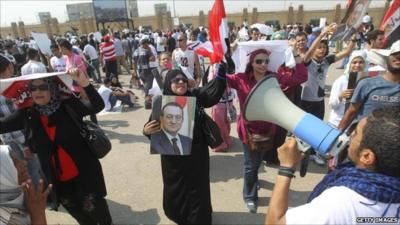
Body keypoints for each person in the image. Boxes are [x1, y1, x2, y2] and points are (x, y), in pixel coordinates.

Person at [0, 69, 113, 225]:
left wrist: (85, 84)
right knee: (82, 218)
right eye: (33, 88)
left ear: (52, 88)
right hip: (58, 180)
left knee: (101, 217)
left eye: (43, 87)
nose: (37, 92)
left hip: (85, 175)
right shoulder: (27, 114)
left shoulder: (68, 106)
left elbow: (97, 106)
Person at [265, 106, 400, 225]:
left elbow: (275, 223)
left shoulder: (339, 204)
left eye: (356, 133)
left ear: (367, 157)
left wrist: (286, 168)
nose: (351, 135)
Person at [226, 48, 307, 213]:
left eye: (266, 61)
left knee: (257, 162)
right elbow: (219, 80)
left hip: (268, 131)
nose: (263, 64)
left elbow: (301, 77)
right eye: (259, 61)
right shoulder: (241, 78)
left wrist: (297, 56)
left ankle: (254, 180)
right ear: (251, 62)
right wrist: (224, 57)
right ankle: (250, 196)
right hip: (248, 131)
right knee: (250, 165)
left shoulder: (273, 78)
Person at [143, 66, 226, 225]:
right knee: (176, 189)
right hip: (173, 160)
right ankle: (180, 216)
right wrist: (146, 131)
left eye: (184, 80)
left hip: (197, 154)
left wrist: (221, 75)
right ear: (169, 83)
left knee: (198, 188)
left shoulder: (195, 96)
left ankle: (200, 219)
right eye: (176, 80)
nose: (181, 82)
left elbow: (212, 94)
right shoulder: (162, 103)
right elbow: (153, 130)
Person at [300, 23, 355, 165]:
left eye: (324, 48)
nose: (322, 50)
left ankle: (312, 153)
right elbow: (309, 52)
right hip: (306, 100)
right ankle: (301, 151)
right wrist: (322, 34)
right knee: (304, 127)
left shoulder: (327, 61)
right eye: (319, 47)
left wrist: (354, 36)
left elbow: (347, 52)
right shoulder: (307, 61)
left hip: (318, 101)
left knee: (317, 127)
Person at [338, 40, 400, 131]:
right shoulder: (367, 84)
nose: (399, 57)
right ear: (387, 59)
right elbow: (351, 112)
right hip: (362, 140)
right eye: (395, 54)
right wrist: (337, 136)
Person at [0, 145, 52, 225]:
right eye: (14, 162)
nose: (24, 162)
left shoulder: (21, 193)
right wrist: (38, 215)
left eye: (18, 159)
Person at [133, 38, 156, 109]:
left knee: (146, 86)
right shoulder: (147, 51)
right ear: (145, 44)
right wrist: (150, 50)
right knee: (148, 87)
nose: (148, 45)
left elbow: (134, 62)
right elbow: (153, 59)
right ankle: (147, 102)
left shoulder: (136, 51)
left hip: (140, 72)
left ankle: (148, 100)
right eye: (147, 44)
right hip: (147, 72)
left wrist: (134, 71)